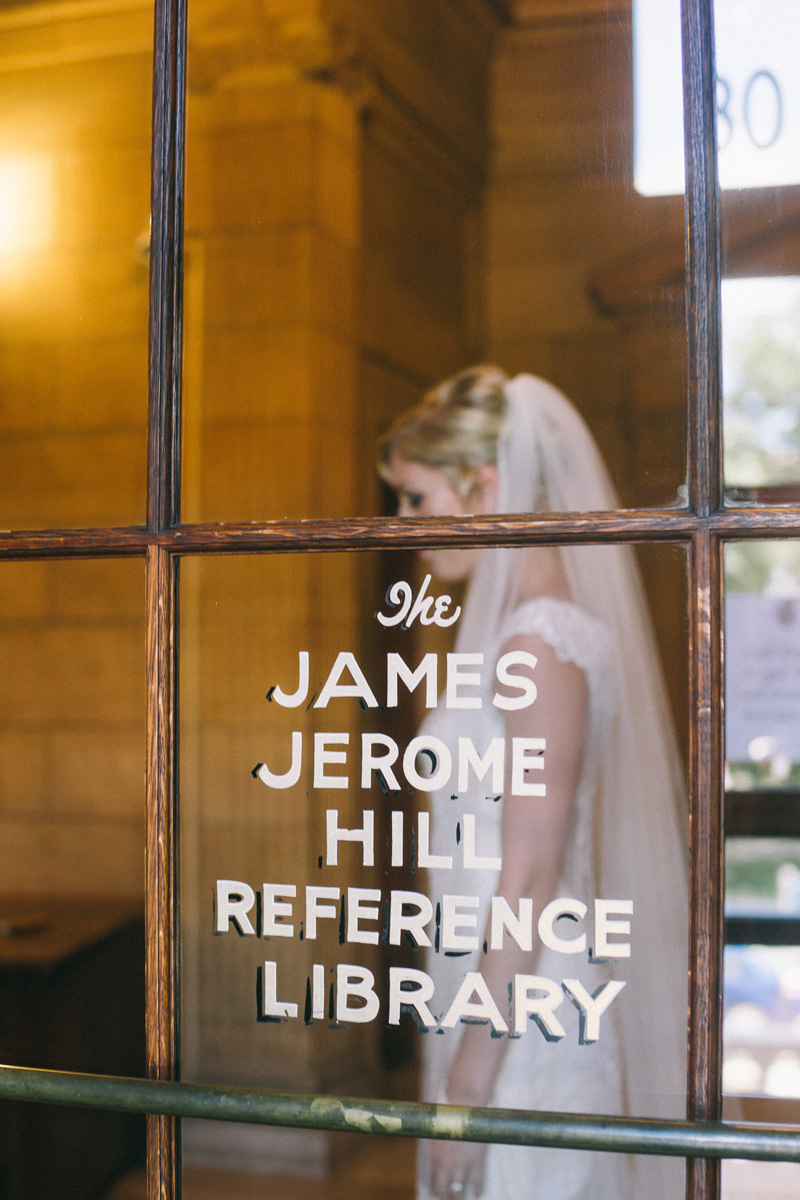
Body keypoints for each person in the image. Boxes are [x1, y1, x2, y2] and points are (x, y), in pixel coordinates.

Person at [379, 367, 688, 1200]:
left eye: (415, 498)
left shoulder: (535, 643)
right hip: (487, 984)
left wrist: (470, 1093)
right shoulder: (520, 631)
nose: (401, 524)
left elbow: (530, 875)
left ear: (484, 486)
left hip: (521, 1010)